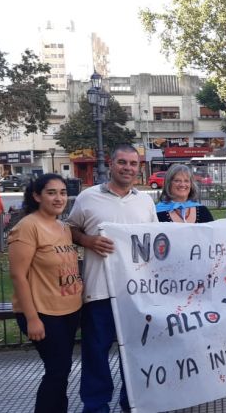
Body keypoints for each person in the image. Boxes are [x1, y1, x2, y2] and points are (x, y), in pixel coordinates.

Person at [67, 145, 158, 413]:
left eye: (133, 163)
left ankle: (133, 402)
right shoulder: (88, 197)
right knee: (96, 354)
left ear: (139, 167)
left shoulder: (145, 201)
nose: (128, 168)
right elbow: (70, 229)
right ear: (110, 164)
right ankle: (96, 407)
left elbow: (153, 242)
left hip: (135, 293)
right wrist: (87, 240)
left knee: (136, 352)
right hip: (99, 291)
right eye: (122, 162)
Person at [8, 174, 82, 412]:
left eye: (62, 192)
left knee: (62, 370)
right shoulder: (28, 227)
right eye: (51, 193)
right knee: (57, 370)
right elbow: (18, 275)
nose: (59, 198)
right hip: (43, 313)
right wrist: (32, 319)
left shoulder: (63, 227)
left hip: (69, 310)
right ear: (37, 196)